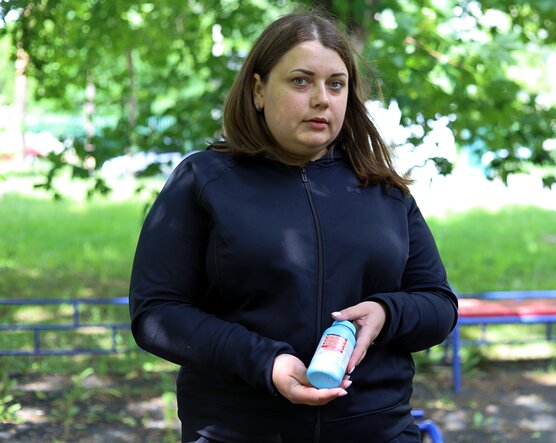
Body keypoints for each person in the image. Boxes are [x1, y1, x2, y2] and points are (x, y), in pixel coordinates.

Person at [129, 10, 458, 443]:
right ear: (259, 90)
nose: (322, 98)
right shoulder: (204, 180)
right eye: (301, 81)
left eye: (335, 84)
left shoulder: (383, 189)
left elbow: (438, 304)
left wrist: (386, 312)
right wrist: (266, 362)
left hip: (377, 430)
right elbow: (156, 313)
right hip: (239, 431)